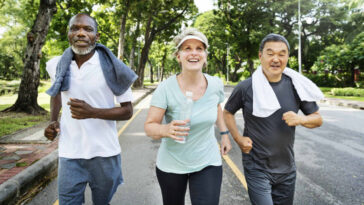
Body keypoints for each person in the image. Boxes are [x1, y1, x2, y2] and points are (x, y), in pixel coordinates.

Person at [44, 13, 137, 205]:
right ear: (68, 33)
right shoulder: (55, 65)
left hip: (104, 154)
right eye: (75, 28)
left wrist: (92, 112)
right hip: (70, 153)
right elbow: (57, 94)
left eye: (87, 29)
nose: (80, 33)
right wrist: (53, 121)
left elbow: (127, 111)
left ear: (97, 36)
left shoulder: (114, 68)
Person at [223, 33, 323, 205]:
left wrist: (300, 120)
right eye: (270, 53)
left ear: (287, 57)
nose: (276, 59)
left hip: (287, 168)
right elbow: (227, 112)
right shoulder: (246, 87)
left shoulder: (296, 86)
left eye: (281, 54)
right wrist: (238, 139)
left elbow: (317, 119)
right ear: (260, 56)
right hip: (257, 167)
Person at [144, 28, 232, 205]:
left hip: (208, 161)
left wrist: (224, 135)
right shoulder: (166, 88)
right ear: (178, 56)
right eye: (187, 48)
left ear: (205, 55)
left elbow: (216, 107)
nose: (194, 53)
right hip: (172, 164)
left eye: (199, 48)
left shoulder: (215, 84)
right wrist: (165, 129)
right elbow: (150, 127)